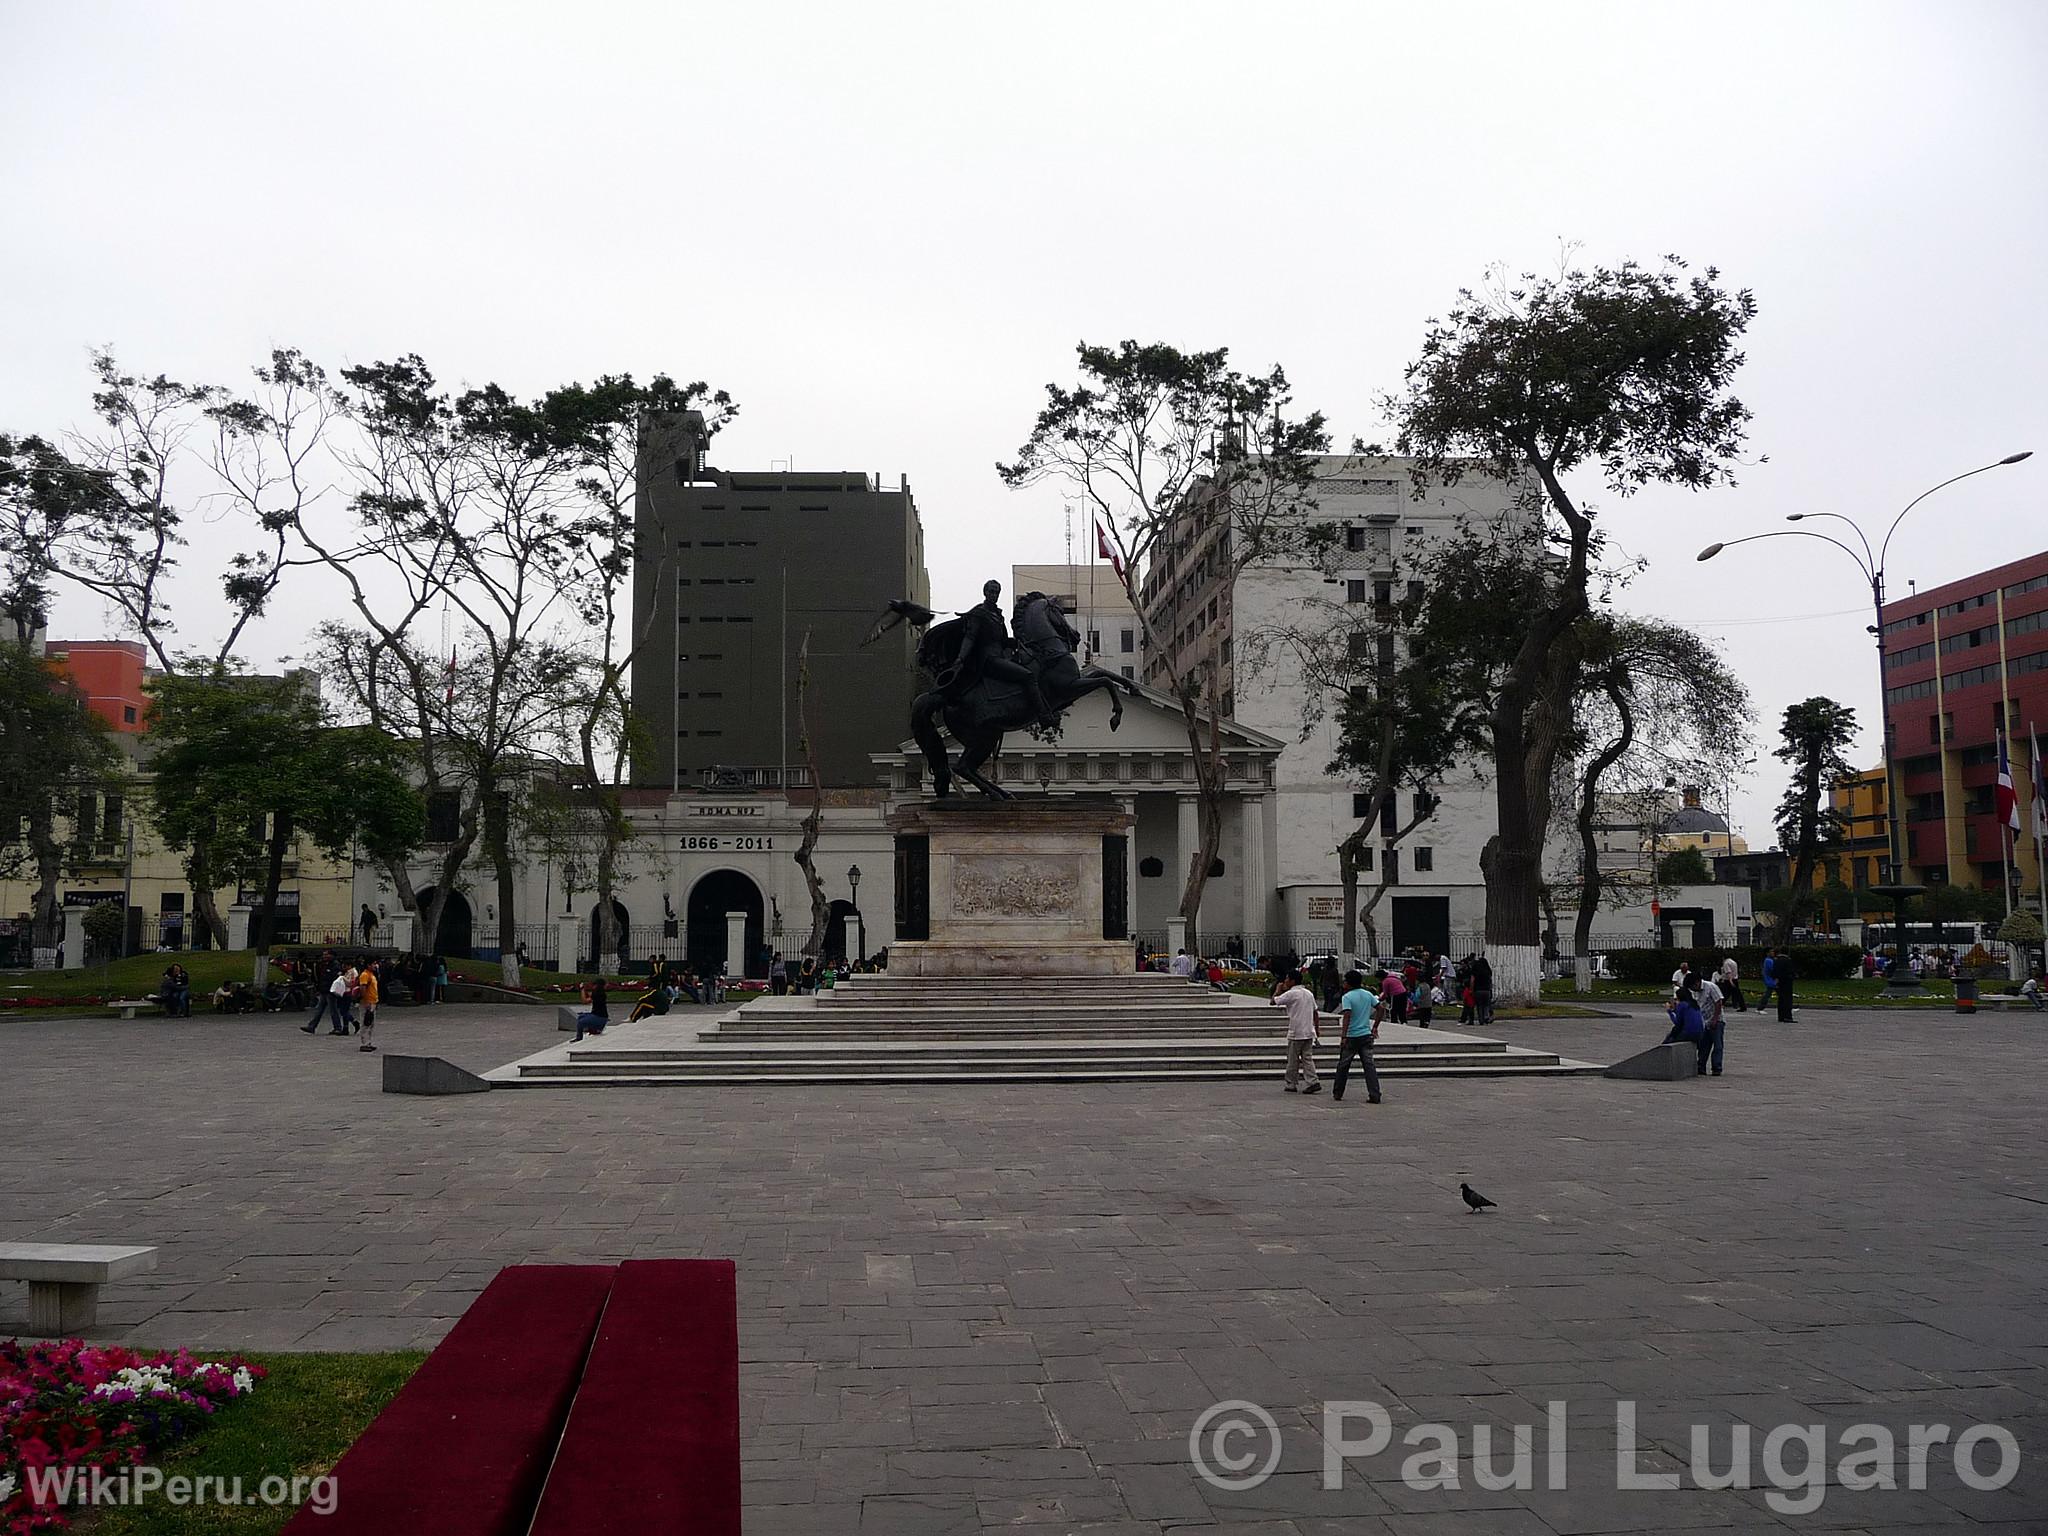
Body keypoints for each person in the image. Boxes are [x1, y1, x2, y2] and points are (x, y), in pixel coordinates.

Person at [1332, 968, 1382, 1105]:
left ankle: (1338, 1092)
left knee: (1343, 1065)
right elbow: (1380, 1008)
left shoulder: (1347, 997)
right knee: (1369, 1066)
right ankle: (1375, 1093)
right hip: (1366, 1034)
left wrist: (1343, 1036)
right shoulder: (1367, 994)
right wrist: (1375, 1026)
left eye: (1345, 981)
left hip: (1352, 1036)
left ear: (1349, 983)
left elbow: (1347, 1016)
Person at [1271, 968, 1321, 1094]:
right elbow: (1315, 1012)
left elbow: (1273, 1001)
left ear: (1292, 981)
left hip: (1296, 1031)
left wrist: (1277, 990)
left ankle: (1291, 1083)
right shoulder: (1308, 993)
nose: (1285, 981)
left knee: (1293, 1059)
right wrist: (1317, 1028)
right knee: (1307, 1058)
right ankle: (1313, 1081)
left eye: (1287, 979)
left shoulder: (1291, 993)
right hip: (1309, 1031)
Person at [1696, 970, 1726, 1075]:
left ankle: (1716, 1067)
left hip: (1717, 1020)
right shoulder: (1695, 991)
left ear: (1697, 982)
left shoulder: (1711, 987)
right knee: (1704, 1045)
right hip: (1704, 1021)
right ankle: (1701, 1066)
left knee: (1717, 1045)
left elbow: (1718, 1002)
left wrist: (1715, 1019)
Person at [1662, 974, 1705, 1047]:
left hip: (1689, 1033)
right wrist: (1674, 1010)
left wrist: (1669, 1011)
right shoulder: (1694, 1003)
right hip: (1700, 1033)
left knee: (1669, 1038)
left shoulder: (1682, 1004)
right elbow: (1686, 1015)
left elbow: (1677, 1022)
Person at [572, 978, 610, 1042]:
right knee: (581, 1016)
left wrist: (582, 989)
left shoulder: (597, 994)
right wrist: (586, 990)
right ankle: (594, 1029)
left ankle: (579, 1038)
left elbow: (584, 1001)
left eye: (594, 985)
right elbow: (590, 995)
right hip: (600, 1016)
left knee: (581, 1022)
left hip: (599, 1017)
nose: (593, 986)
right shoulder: (600, 992)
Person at [356, 962, 381, 1052]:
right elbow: (363, 988)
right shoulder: (365, 975)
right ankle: (364, 1043)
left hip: (373, 1001)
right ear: (368, 965)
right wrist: (365, 1001)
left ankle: (369, 1042)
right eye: (373, 964)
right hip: (367, 1002)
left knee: (370, 1023)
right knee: (365, 1022)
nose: (375, 966)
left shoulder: (372, 975)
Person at [1774, 945, 1798, 1022]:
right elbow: (1790, 971)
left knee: (1781, 999)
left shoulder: (1777, 960)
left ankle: (1781, 1016)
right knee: (1787, 999)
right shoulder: (1787, 960)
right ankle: (1787, 1016)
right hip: (1787, 981)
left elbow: (1774, 971)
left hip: (1779, 981)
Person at [1470, 953, 1494, 1026]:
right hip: (1486, 990)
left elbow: (1472, 980)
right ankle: (1486, 1016)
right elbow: (1490, 981)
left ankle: (1481, 1020)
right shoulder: (1488, 971)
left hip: (1478, 990)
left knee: (1479, 1006)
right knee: (1486, 1005)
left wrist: (1471, 989)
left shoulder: (1475, 970)